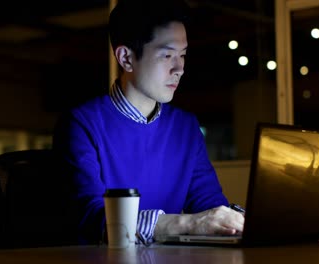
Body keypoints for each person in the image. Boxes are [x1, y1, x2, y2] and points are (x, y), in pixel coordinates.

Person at [52, 0, 244, 245]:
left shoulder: (186, 127)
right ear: (126, 58)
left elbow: (211, 208)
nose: (180, 68)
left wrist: (239, 220)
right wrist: (186, 223)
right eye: (167, 55)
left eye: (183, 55)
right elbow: (95, 221)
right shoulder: (81, 124)